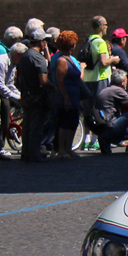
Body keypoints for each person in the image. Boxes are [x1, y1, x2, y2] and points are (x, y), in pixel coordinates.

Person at [81, 15, 120, 150]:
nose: (107, 27)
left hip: (87, 78)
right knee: (100, 110)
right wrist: (113, 60)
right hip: (100, 78)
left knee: (88, 110)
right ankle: (95, 139)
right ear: (101, 26)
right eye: (106, 25)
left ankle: (85, 140)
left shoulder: (89, 40)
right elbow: (103, 62)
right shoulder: (101, 42)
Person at [15, 28, 52, 162]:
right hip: (37, 97)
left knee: (27, 126)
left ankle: (25, 153)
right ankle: (34, 154)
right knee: (36, 127)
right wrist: (53, 88)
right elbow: (43, 81)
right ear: (42, 42)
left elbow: (18, 79)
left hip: (25, 95)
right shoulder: (38, 58)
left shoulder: (24, 56)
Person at [49, 30, 83, 159]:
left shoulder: (69, 59)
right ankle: (62, 149)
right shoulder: (62, 60)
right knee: (64, 122)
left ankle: (68, 148)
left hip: (74, 95)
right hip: (66, 96)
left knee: (73, 122)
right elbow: (60, 80)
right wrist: (66, 98)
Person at [96, 68, 128, 154]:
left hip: (102, 128)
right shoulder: (118, 90)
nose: (127, 83)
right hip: (110, 126)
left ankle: (105, 139)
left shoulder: (108, 89)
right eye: (126, 80)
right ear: (122, 82)